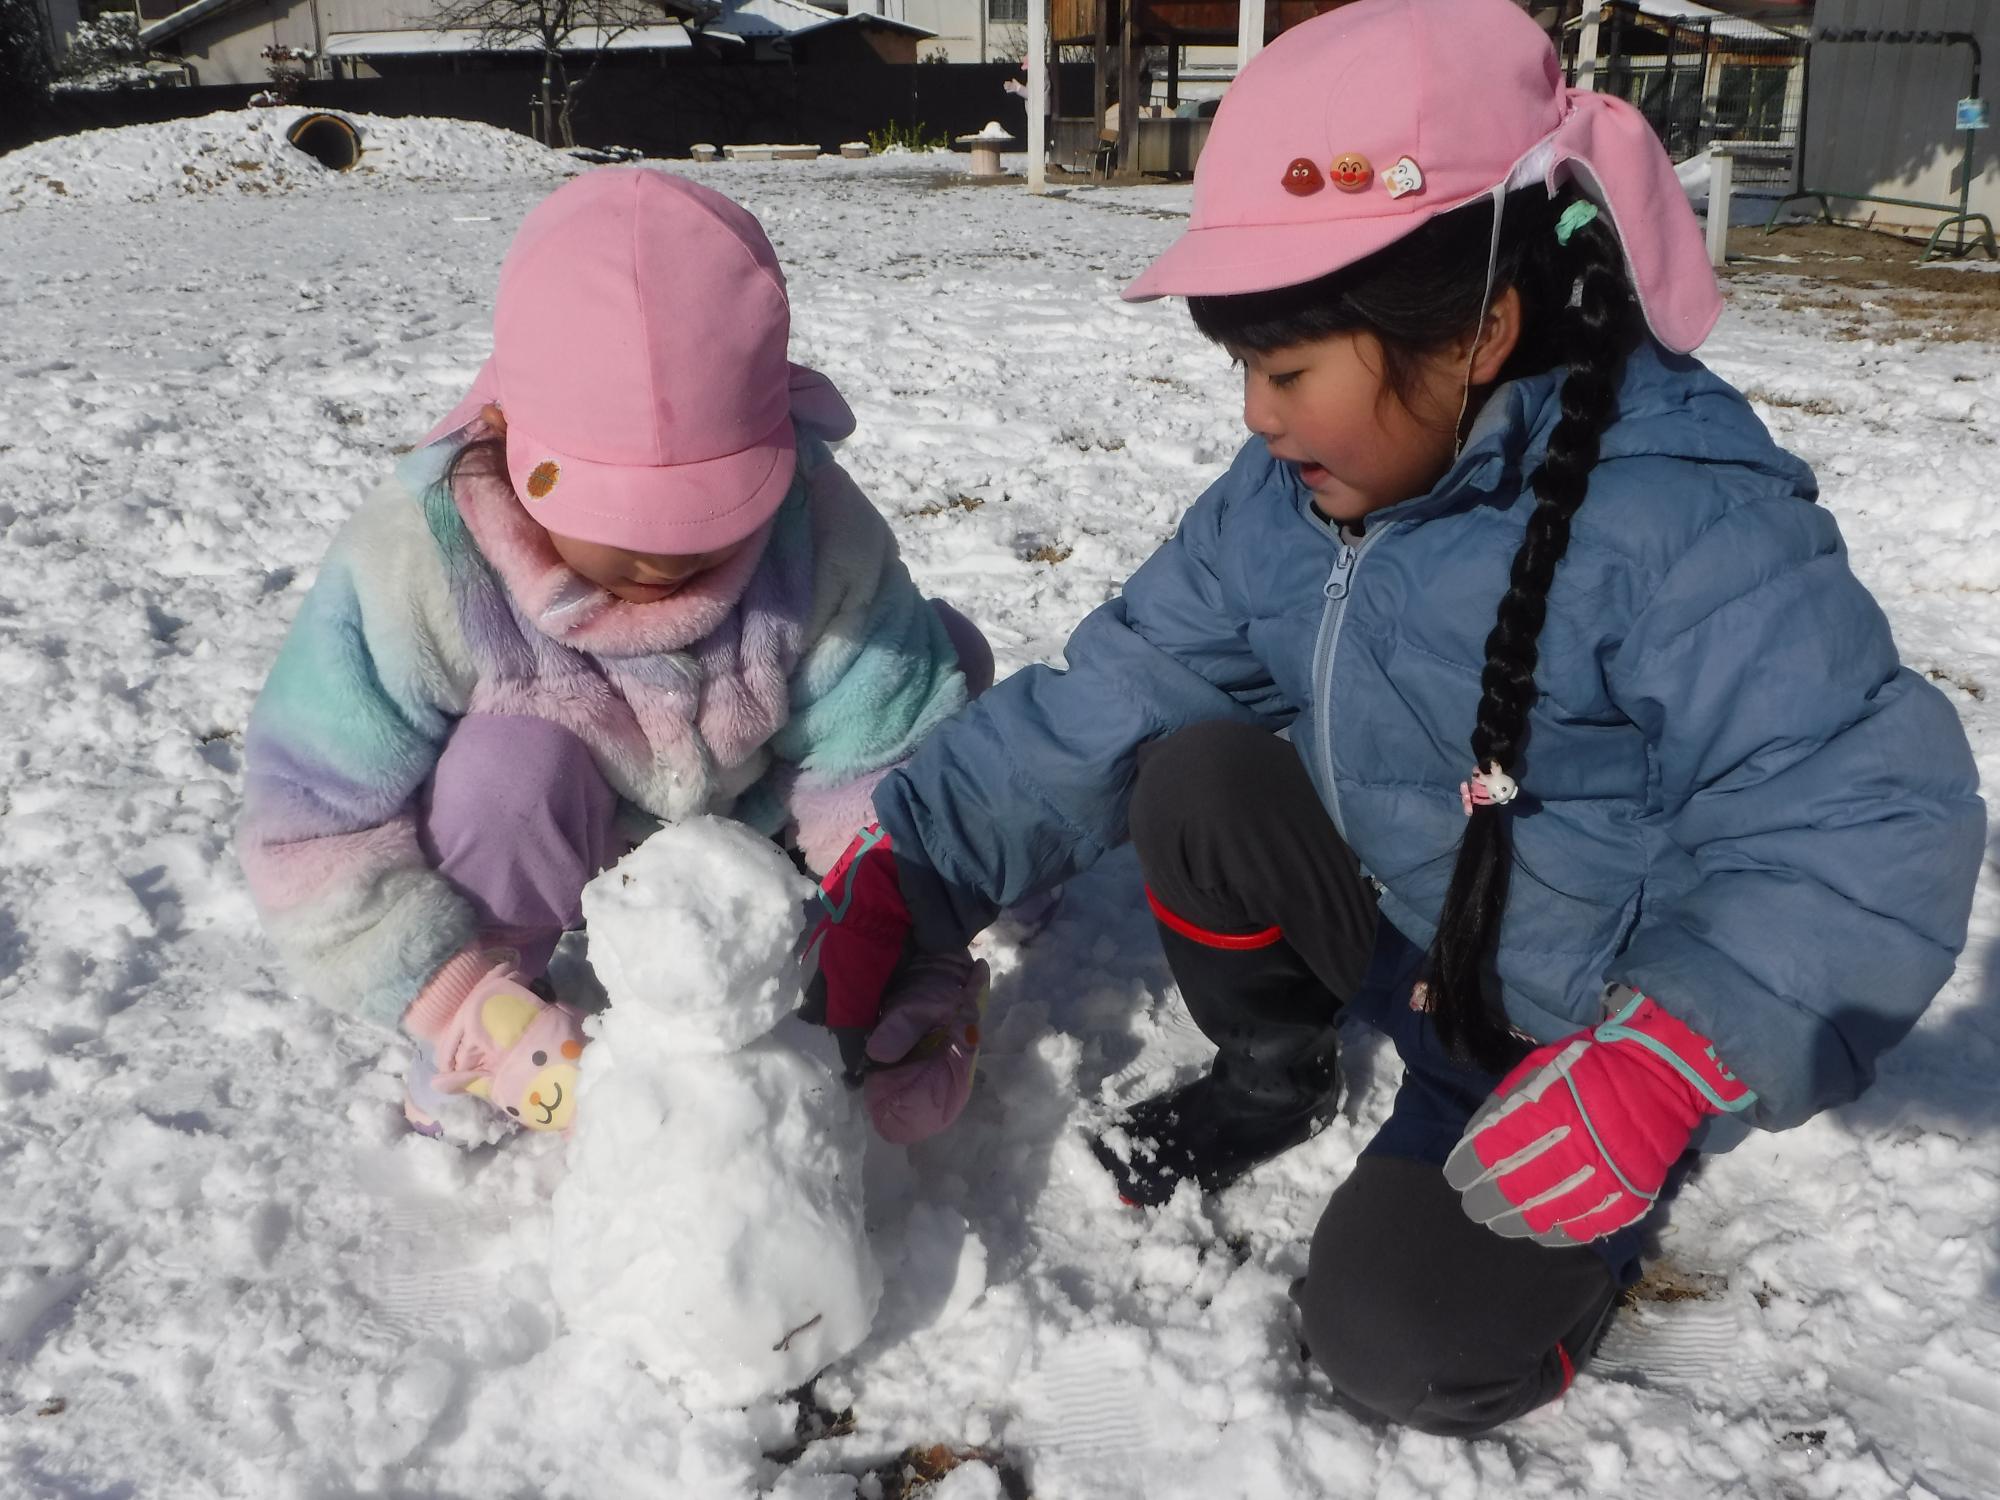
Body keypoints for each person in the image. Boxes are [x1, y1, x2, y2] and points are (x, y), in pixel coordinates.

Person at [801, 0, 1985, 1435]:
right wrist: (912, 869)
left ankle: (1585, 1198)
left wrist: (1671, 1055)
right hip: (1399, 919)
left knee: (1399, 1344)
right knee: (1195, 772)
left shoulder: (1678, 518)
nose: (1255, 415)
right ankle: (1273, 1069)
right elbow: (1108, 699)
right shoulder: (1285, 506)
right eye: (1243, 366)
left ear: (1481, 327)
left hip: (1565, 1035)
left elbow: (1858, 816)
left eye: (1289, 371)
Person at [239, 167, 993, 1140]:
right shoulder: (425, 562)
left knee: (941, 663)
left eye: (707, 514)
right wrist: (461, 1002)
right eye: (619, 519)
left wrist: (897, 942)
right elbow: (309, 831)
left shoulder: (817, 536)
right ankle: (483, 1042)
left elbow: (880, 753)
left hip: (755, 836)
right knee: (513, 767)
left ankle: (859, 981)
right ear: (509, 438)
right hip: (543, 845)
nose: (662, 554)